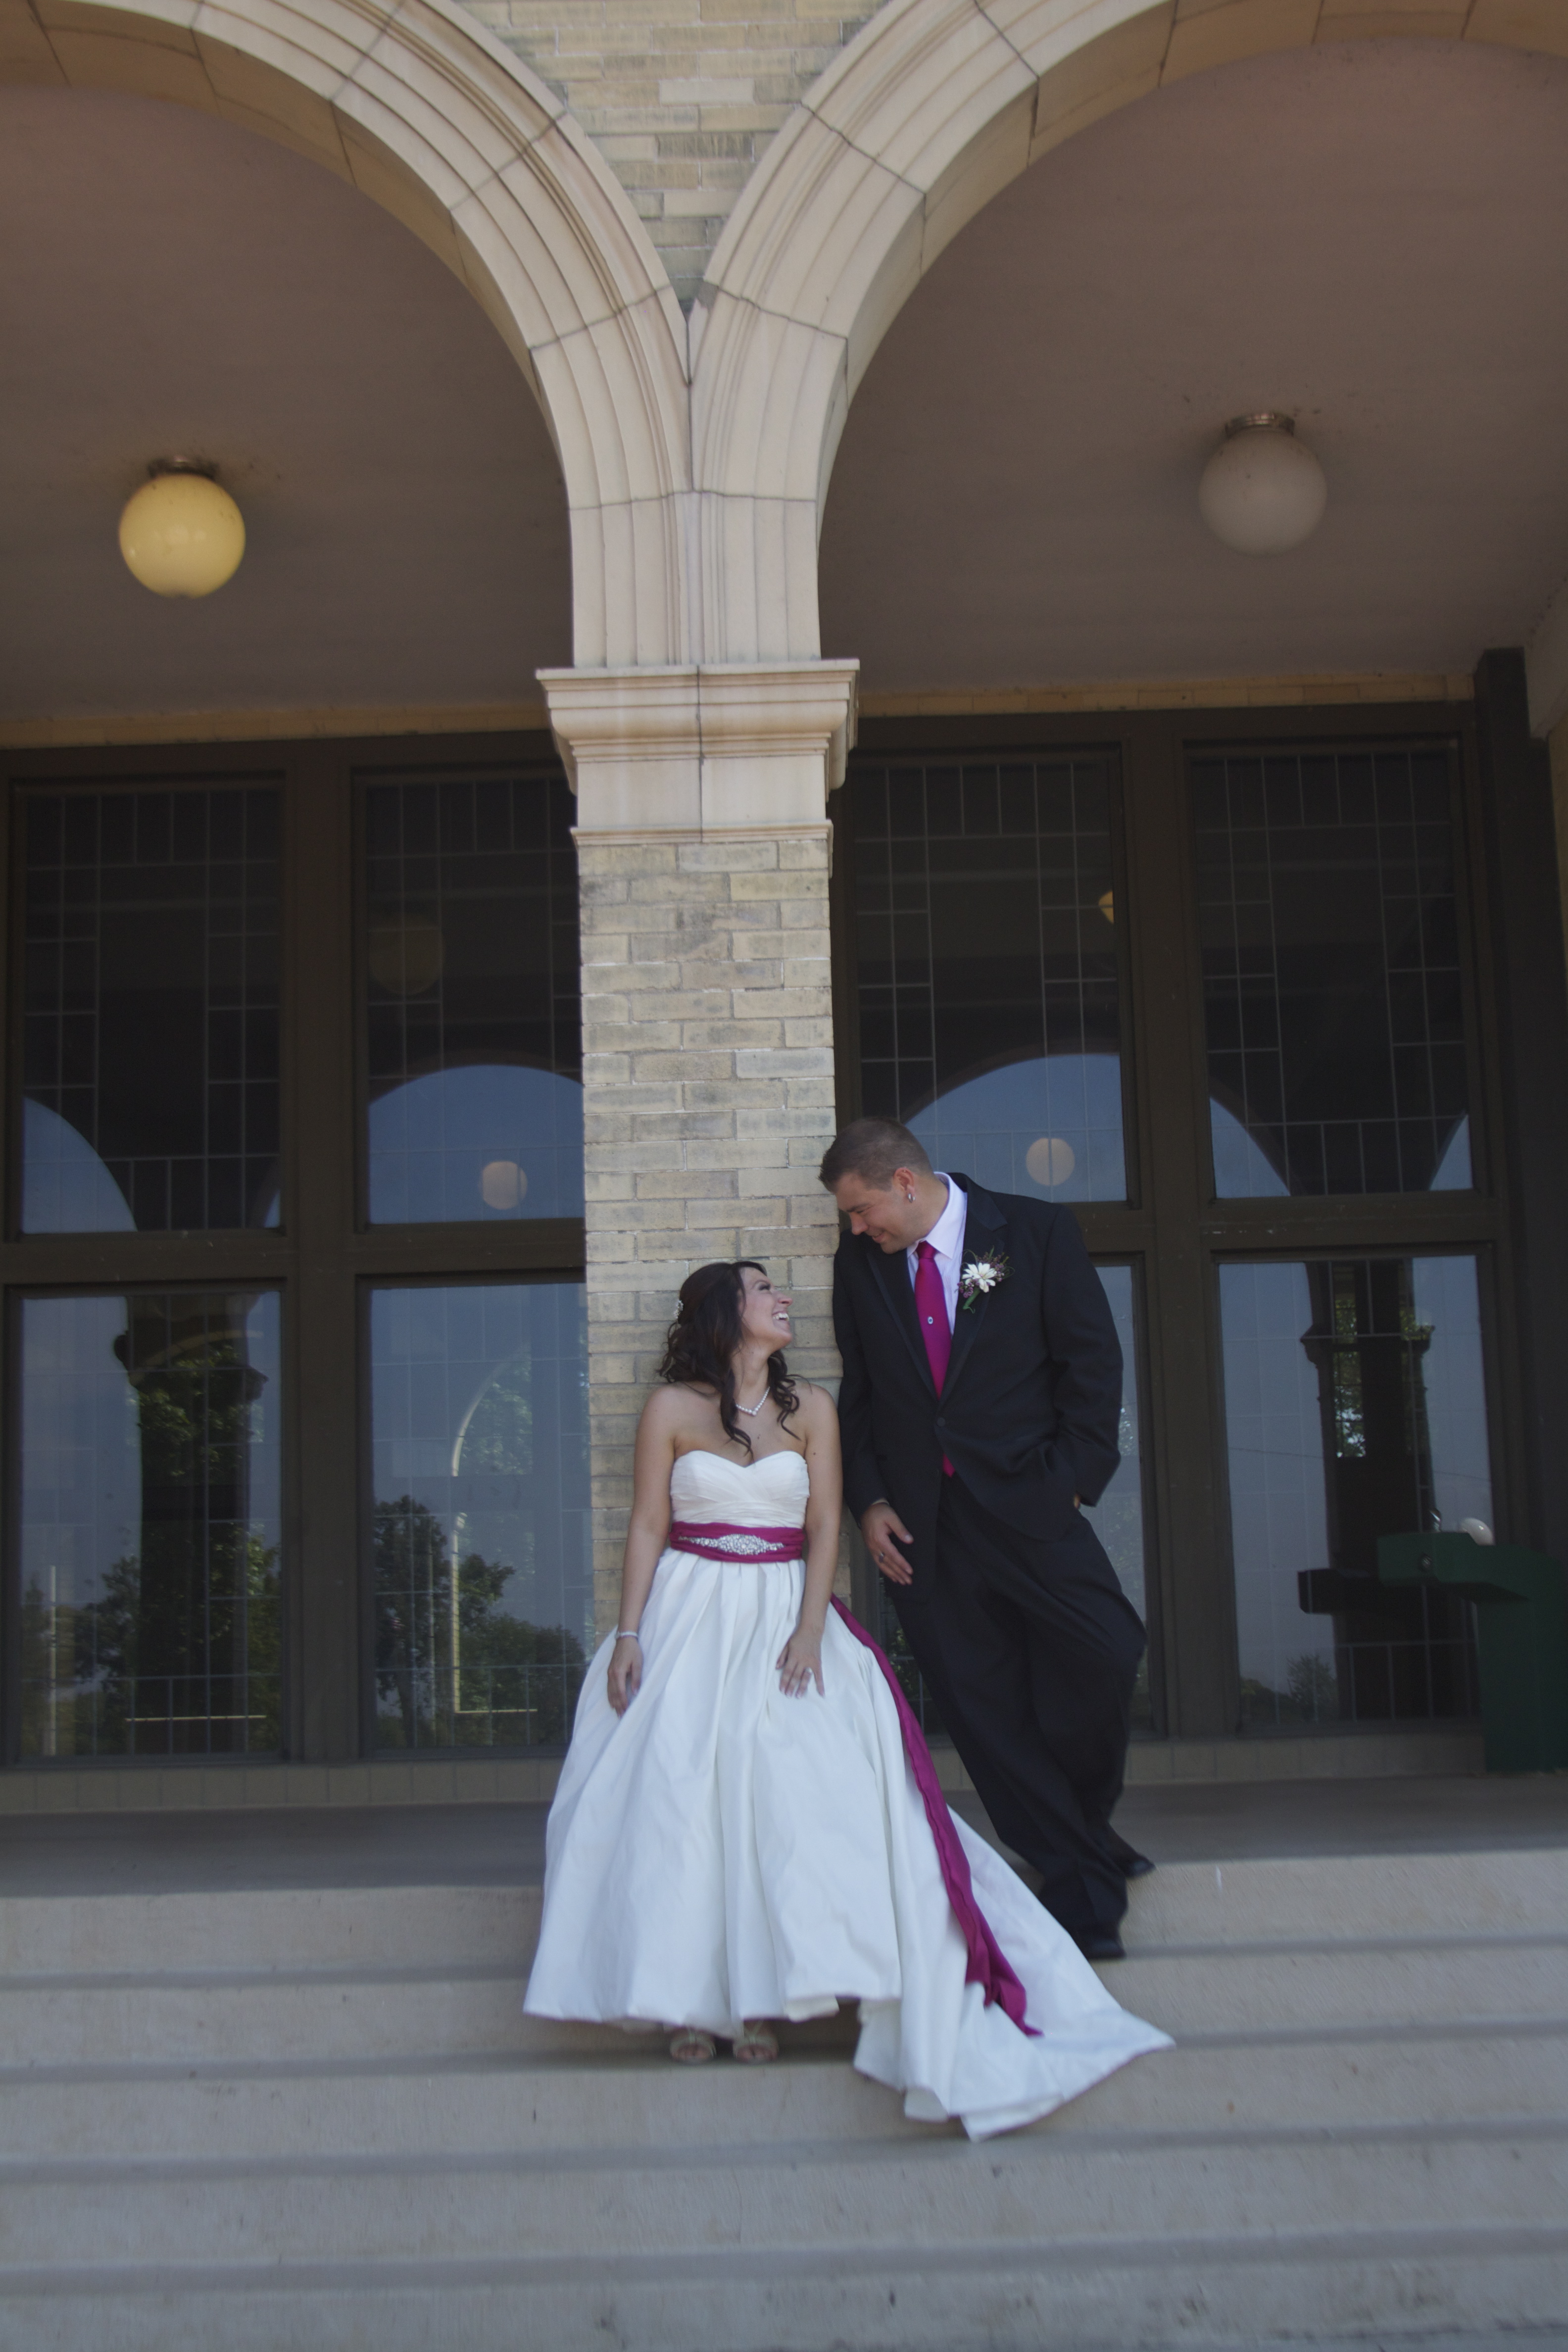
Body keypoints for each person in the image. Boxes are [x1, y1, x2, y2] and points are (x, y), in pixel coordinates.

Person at [524, 1258, 1169, 2138]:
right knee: (683, 1804)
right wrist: (631, 1633)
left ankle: (763, 2002)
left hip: (783, 1612)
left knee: (785, 1804)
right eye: (761, 1290)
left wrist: (810, 1627)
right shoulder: (671, 1408)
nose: (780, 1298)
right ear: (725, 1314)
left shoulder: (813, 1409)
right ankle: (690, 2003)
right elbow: (648, 1522)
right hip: (687, 1614)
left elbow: (826, 1522)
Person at [821, 1117, 1149, 1960]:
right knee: (983, 1708)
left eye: (861, 1210)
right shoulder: (860, 1266)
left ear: (904, 1182)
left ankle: (1082, 1829)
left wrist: (1072, 1480)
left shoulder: (1036, 1232)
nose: (856, 1229)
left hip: (1031, 1503)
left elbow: (1092, 1363)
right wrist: (869, 1500)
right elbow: (863, 1392)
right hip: (923, 1525)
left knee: (1107, 1651)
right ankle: (1082, 1891)